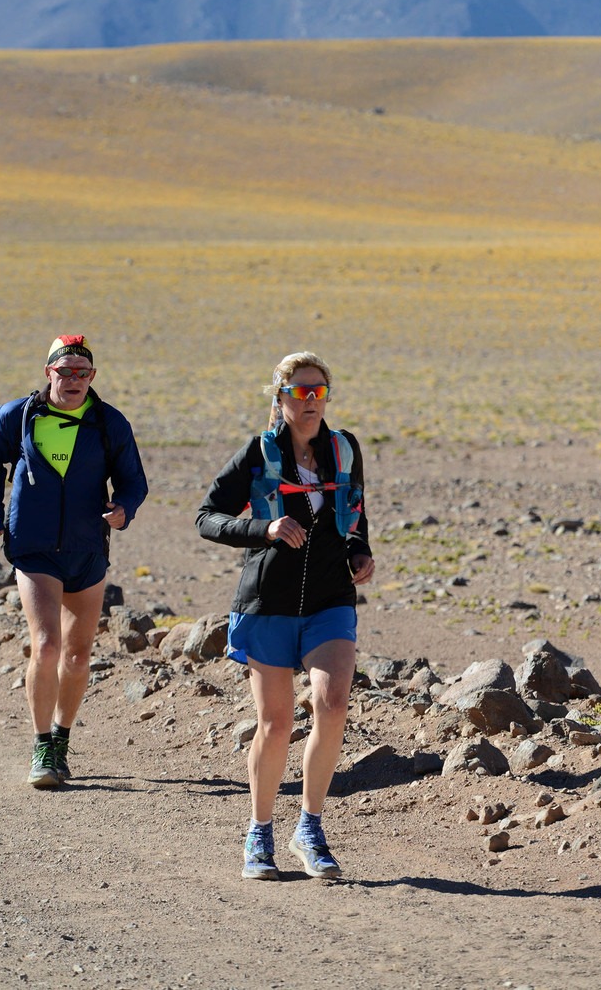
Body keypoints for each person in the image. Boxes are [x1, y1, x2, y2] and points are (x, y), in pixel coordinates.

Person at [196, 351, 374, 880]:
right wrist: (264, 530)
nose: (311, 400)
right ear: (280, 398)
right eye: (300, 391)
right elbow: (207, 518)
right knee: (275, 726)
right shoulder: (255, 454)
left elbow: (357, 511)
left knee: (333, 701)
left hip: (329, 599)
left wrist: (359, 550)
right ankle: (259, 831)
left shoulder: (344, 449)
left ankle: (311, 826)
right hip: (268, 603)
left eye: (319, 390)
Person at [0, 334, 148, 788]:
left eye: (81, 372)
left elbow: (132, 479)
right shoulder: (19, 415)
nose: (73, 380)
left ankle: (63, 738)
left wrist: (124, 508)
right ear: (49, 373)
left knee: (79, 655)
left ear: (92, 377)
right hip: (34, 545)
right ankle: (42, 744)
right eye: (64, 371)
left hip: (87, 548)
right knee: (46, 645)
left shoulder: (108, 422)